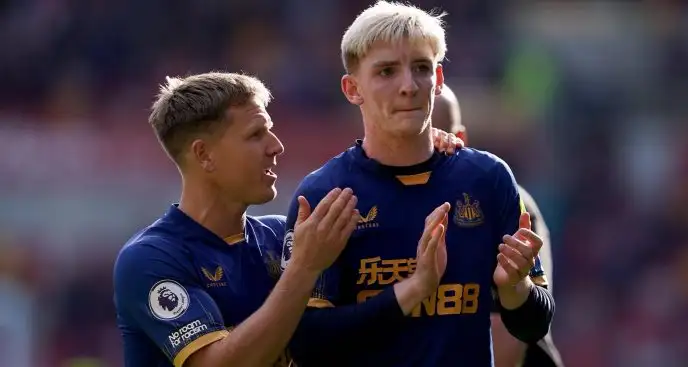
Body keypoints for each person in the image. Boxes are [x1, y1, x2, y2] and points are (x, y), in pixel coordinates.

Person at [112, 72, 463, 367]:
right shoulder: (150, 260)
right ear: (204, 155)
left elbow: (361, 318)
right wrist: (304, 269)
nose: (276, 146)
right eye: (255, 134)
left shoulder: (287, 235)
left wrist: (420, 154)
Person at [282, 2, 555, 366]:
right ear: (352, 88)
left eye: (421, 68)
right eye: (386, 72)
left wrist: (514, 288)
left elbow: (533, 325)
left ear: (438, 80)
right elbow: (304, 342)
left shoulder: (489, 179)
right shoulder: (323, 195)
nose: (408, 86)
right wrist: (412, 290)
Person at [433, 84, 565, 367]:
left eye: (433, 136)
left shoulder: (504, 202)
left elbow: (506, 345)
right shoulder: (369, 204)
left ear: (460, 139)